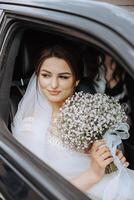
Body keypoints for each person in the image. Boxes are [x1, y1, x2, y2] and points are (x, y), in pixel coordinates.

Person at [12, 45, 134, 200]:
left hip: (112, 181)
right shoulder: (30, 128)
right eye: (46, 75)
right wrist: (94, 173)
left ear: (76, 81)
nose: (53, 85)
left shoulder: (87, 112)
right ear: (38, 76)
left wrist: (110, 157)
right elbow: (39, 192)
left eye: (63, 77)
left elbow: (94, 153)